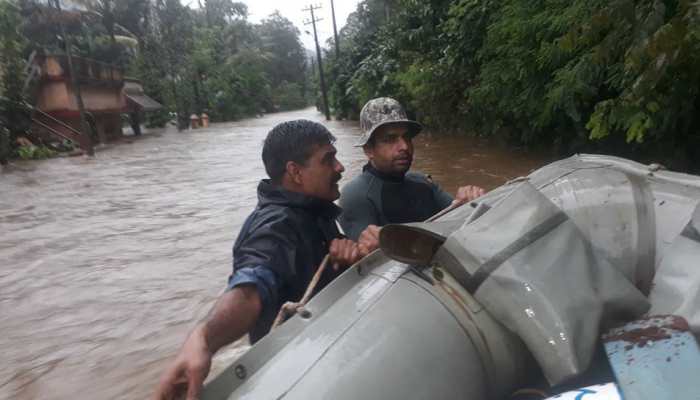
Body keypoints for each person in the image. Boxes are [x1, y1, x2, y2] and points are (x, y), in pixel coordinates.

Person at [154, 120, 364, 400]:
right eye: (328, 160)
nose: (339, 167)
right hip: (296, 377)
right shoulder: (275, 226)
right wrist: (204, 339)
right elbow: (251, 287)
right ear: (295, 172)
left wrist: (348, 259)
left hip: (324, 356)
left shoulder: (312, 212)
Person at [339, 97, 485, 252]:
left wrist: (469, 201)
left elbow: (461, 218)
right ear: (369, 150)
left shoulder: (422, 182)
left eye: (406, 137)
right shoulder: (355, 196)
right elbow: (364, 264)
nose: (404, 146)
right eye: (390, 139)